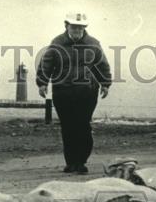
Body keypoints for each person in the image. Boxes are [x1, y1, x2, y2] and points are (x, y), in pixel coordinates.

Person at [36, 12, 111, 173]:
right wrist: (42, 83)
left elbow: (101, 65)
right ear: (66, 26)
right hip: (63, 92)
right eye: (74, 26)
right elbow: (46, 63)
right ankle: (71, 162)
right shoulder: (57, 43)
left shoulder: (93, 43)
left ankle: (81, 161)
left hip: (87, 92)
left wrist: (105, 83)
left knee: (83, 125)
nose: (77, 29)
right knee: (68, 126)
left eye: (80, 27)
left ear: (84, 27)